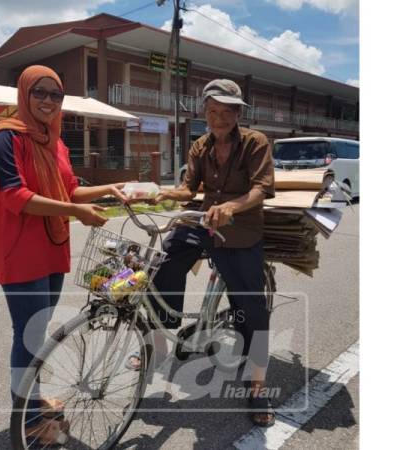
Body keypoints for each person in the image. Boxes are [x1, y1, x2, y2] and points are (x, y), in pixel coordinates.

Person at [0, 65, 127, 444]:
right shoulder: (4, 139)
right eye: (39, 92)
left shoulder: (54, 141)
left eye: (55, 94)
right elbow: (14, 196)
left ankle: (33, 402)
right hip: (20, 250)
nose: (47, 101)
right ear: (24, 94)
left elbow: (69, 190)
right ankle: (27, 422)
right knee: (26, 335)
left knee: (39, 335)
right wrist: (76, 213)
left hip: (53, 246)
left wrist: (114, 188)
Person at [133, 79, 276, 426]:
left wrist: (232, 207)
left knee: (251, 308)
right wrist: (164, 194)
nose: (219, 118)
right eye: (213, 111)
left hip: (240, 231)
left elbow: (262, 189)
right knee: (165, 261)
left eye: (227, 111)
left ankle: (258, 385)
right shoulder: (200, 145)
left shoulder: (255, 142)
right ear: (205, 111)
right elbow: (189, 188)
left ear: (238, 113)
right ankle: (162, 343)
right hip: (203, 223)